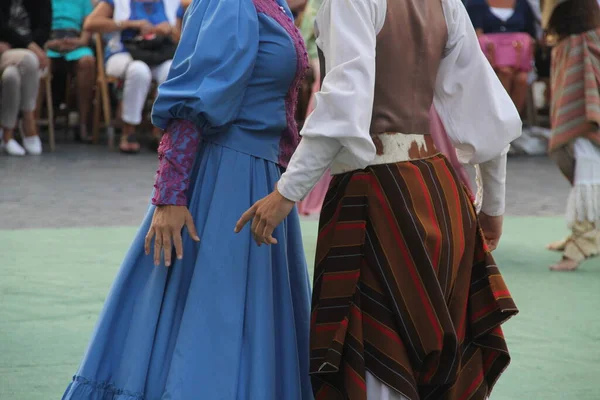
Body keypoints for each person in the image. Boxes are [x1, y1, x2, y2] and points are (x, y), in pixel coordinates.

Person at [236, 0, 521, 398]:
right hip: (440, 194)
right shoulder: (446, 2)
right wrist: (493, 207)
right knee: (435, 364)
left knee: (378, 360)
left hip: (377, 197)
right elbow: (487, 111)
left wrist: (287, 192)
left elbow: (342, 104)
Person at [61, 0, 312, 398]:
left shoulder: (275, 4)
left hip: (261, 182)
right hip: (225, 180)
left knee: (240, 323)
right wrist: (170, 195)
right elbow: (195, 95)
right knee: (210, 320)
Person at [543, 0, 600, 271]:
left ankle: (583, 242)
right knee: (582, 161)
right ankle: (585, 234)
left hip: (583, 40)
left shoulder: (581, 45)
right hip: (574, 36)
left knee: (586, 161)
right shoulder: (574, 44)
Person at [83, 0, 183, 153]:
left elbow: (180, 39)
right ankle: (128, 130)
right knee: (139, 70)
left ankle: (160, 130)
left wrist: (168, 30)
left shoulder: (172, 2)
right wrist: (131, 24)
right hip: (123, 53)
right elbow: (91, 23)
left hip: (158, 54)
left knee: (171, 71)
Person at [467, 0, 537, 116]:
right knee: (505, 73)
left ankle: (513, 118)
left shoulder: (522, 3)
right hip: (489, 61)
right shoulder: (476, 3)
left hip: (518, 60)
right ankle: (501, 118)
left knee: (522, 78)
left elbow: (531, 32)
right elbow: (475, 33)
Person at [0, 0, 51, 156]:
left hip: (23, 52)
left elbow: (43, 31)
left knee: (11, 76)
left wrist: (28, 45)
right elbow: (2, 28)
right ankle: (29, 119)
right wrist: (29, 46)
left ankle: (7, 135)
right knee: (30, 60)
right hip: (6, 53)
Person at [46, 0, 96, 142]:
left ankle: (82, 124)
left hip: (76, 41)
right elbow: (37, 23)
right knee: (40, 62)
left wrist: (79, 42)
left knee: (87, 62)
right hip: (49, 40)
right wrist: (48, 42)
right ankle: (33, 125)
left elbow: (88, 28)